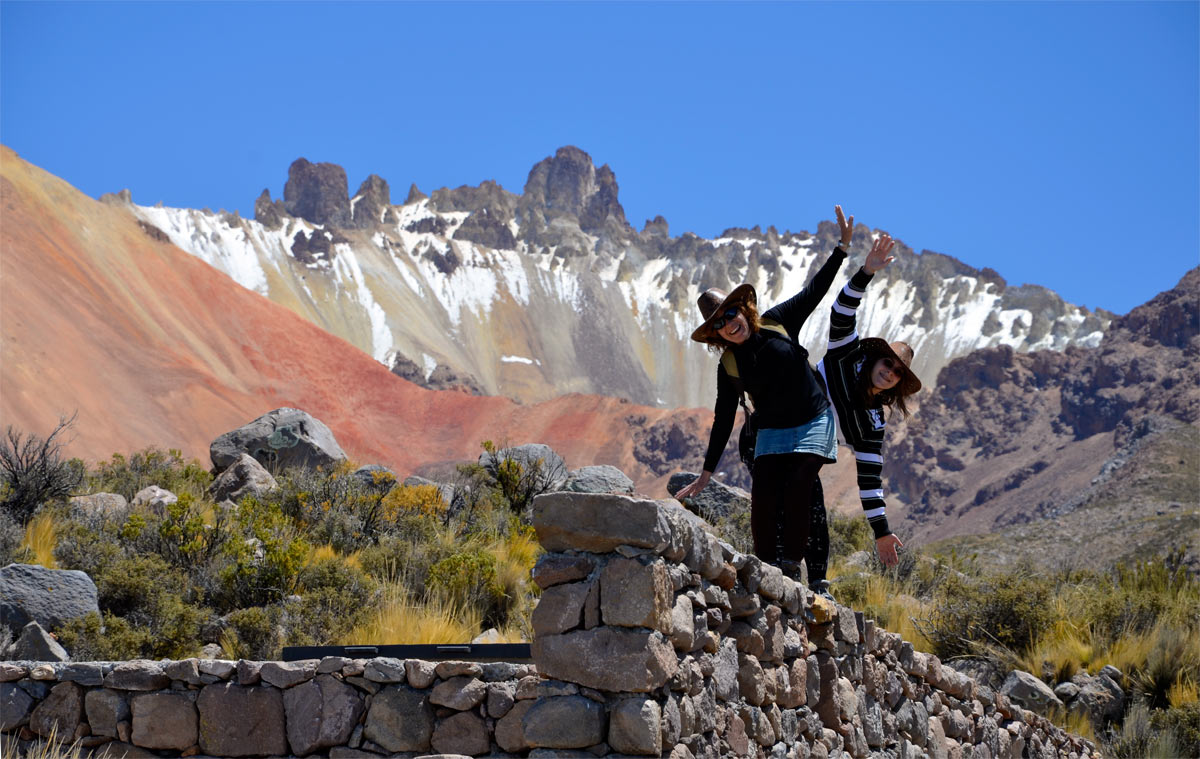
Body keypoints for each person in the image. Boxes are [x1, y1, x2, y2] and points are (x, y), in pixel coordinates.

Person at [676, 207, 853, 573]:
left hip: (812, 419)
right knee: (765, 495)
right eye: (719, 324)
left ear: (743, 310)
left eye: (731, 314)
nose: (728, 324)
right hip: (771, 430)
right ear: (715, 335)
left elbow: (815, 290)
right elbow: (723, 418)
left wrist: (841, 249)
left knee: (800, 482)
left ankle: (791, 568)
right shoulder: (729, 366)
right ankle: (766, 571)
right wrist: (707, 472)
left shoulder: (777, 322)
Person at [815, 228, 922, 568]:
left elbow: (870, 479)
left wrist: (881, 532)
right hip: (776, 425)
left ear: (898, 384)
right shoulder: (846, 355)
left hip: (806, 457)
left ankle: (814, 581)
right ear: (876, 358)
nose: (889, 372)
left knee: (813, 515)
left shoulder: (874, 422)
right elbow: (841, 312)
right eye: (887, 363)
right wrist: (867, 272)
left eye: (897, 373)